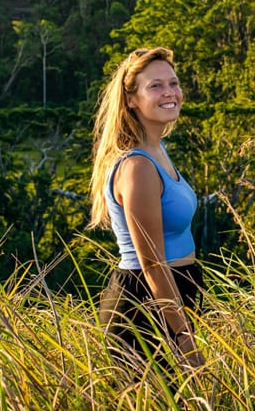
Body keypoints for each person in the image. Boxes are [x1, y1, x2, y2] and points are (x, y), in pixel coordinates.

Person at [88, 47, 205, 372]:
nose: (170, 93)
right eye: (155, 86)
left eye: (173, 83)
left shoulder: (157, 150)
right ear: (131, 99)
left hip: (175, 292)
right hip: (144, 305)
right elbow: (153, 263)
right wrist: (185, 338)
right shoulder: (138, 166)